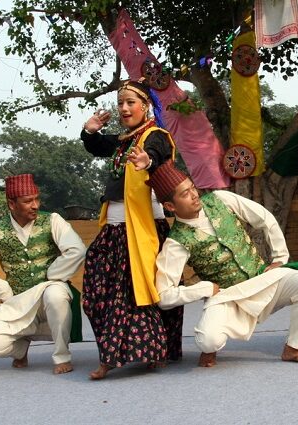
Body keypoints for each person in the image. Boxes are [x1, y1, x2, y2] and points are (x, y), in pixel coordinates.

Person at [148, 163, 298, 367]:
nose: (194, 195)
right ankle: (210, 349)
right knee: (207, 339)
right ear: (170, 206)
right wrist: (202, 289)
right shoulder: (176, 242)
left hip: (262, 280)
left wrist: (279, 259)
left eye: (192, 187)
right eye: (185, 194)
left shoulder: (220, 199)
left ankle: (293, 348)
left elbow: (265, 218)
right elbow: (164, 296)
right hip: (228, 297)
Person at [79, 79, 183, 380]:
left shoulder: (156, 137)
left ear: (145, 105)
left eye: (130, 103)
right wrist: (90, 130)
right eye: (121, 103)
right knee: (98, 292)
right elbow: (98, 147)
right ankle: (136, 350)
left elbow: (156, 154)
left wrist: (146, 160)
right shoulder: (123, 140)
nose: (124, 109)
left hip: (143, 228)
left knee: (138, 292)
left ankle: (132, 354)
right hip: (113, 228)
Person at [0, 174, 86, 375]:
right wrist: (2, 290)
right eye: (28, 201)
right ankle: (20, 348)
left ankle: (62, 355)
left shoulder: (52, 220)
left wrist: (54, 274)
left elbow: (77, 250)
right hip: (18, 301)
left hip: (48, 293)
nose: (35, 205)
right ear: (11, 204)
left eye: (37, 199)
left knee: (56, 294)